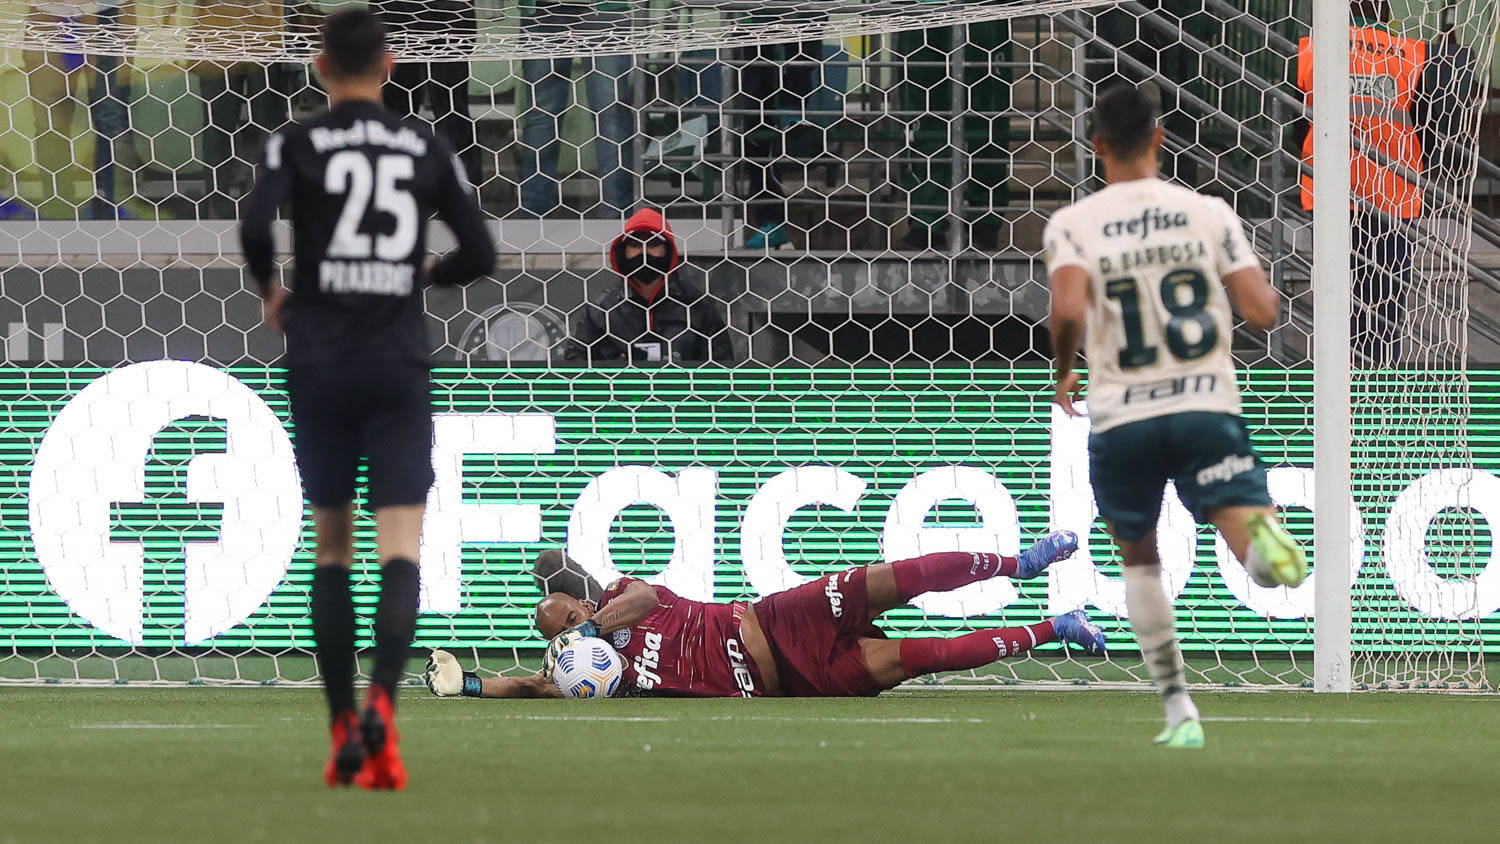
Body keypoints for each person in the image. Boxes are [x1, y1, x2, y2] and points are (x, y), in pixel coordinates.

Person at [238, 8, 496, 790]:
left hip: (319, 361)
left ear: (320, 67)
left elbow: (253, 220)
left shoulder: (295, 141)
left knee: (332, 549)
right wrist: (424, 273)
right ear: (389, 64)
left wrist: (272, 289)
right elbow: (481, 252)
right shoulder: (423, 143)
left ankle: (341, 725)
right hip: (395, 364)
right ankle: (384, 710)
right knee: (399, 551)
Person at [1043, 83, 1307, 749]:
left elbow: (1069, 310)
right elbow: (1262, 311)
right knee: (1242, 532)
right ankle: (1264, 549)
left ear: (1096, 145)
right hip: (1203, 406)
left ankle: (1179, 712)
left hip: (1123, 414)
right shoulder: (1208, 212)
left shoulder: (1074, 224)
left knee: (1140, 559)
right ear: (1160, 138)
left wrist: (1064, 368)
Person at [423, 532, 1106, 699]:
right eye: (558, 631)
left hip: (777, 620)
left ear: (577, 601)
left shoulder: (620, 597)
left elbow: (649, 601)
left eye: (565, 616)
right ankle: (1056, 629)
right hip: (799, 680)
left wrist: (591, 628)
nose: (566, 631)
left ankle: (1019, 565)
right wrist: (472, 685)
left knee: (899, 579)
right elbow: (537, 686)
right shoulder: (589, 673)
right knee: (923, 657)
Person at [1293, 1, 1426, 365]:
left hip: (1331, 190)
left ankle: (1337, 391)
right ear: (1386, 11)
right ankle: (1379, 394)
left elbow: (1294, 122)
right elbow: (1427, 125)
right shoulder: (1412, 53)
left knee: (1337, 302)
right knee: (1384, 305)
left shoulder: (1311, 50)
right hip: (1392, 194)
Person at [560, 208, 734, 364]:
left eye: (653, 244)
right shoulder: (600, 309)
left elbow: (722, 368)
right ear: (623, 252)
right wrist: (610, 370)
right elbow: (574, 368)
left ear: (668, 250)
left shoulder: (697, 306)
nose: (644, 252)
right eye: (635, 245)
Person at [517, 0, 634, 218]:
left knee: (611, 113)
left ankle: (617, 218)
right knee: (541, 115)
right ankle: (532, 218)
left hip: (606, 7)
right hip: (543, 10)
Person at [376, 0, 481, 186]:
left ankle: (462, 194)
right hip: (395, 11)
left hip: (449, 12)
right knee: (397, 111)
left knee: (451, 110)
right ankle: (397, 191)